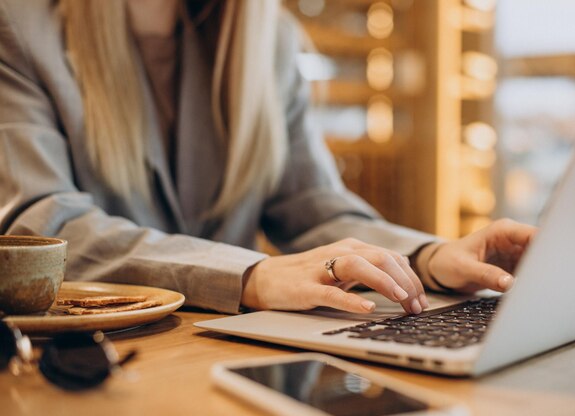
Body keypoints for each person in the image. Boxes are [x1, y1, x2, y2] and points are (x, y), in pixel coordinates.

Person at [0, 0, 536, 316]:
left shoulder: (269, 40)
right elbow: (44, 229)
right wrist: (250, 275)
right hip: (86, 372)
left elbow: (313, 209)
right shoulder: (19, 26)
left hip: (228, 361)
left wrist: (425, 258)